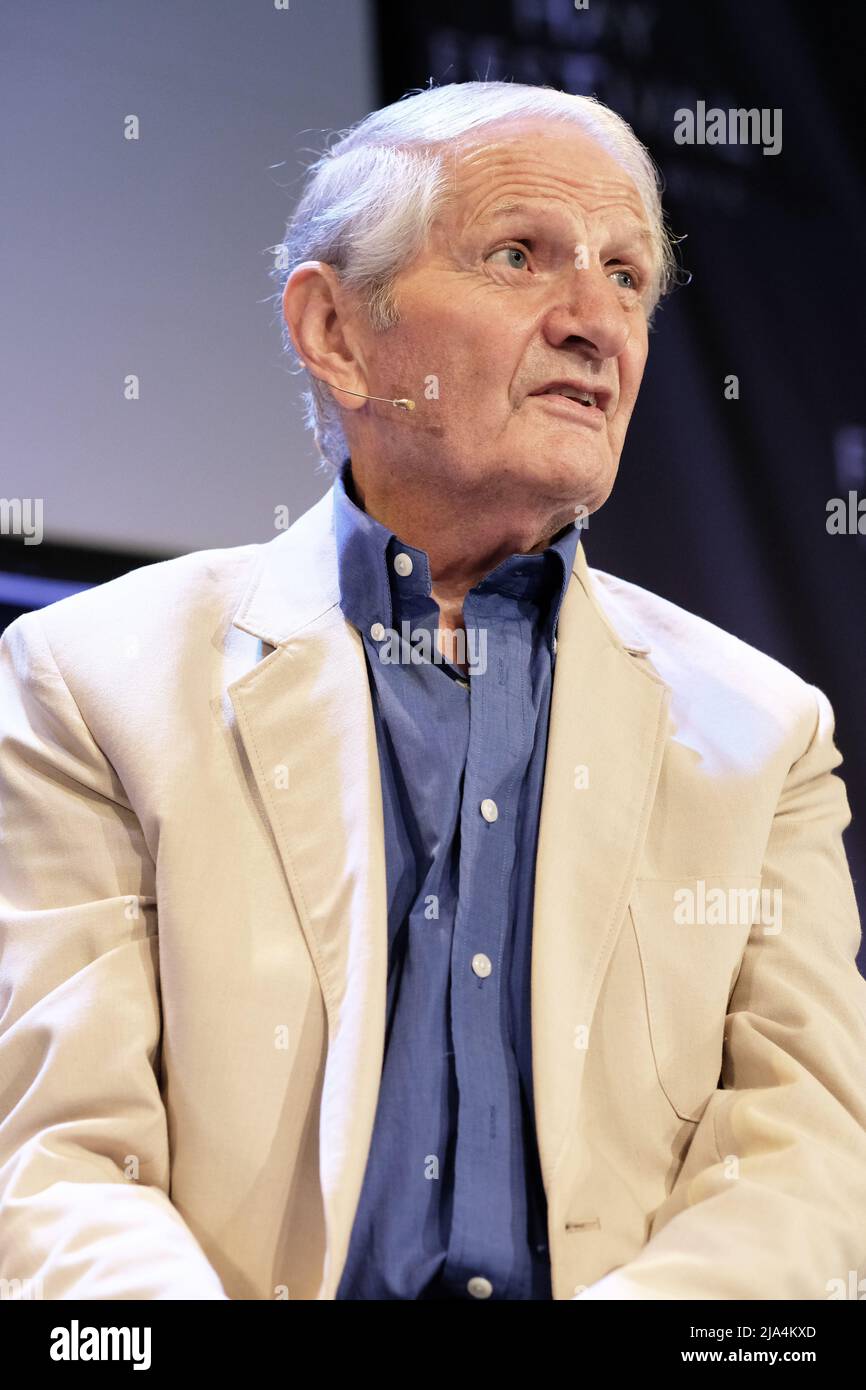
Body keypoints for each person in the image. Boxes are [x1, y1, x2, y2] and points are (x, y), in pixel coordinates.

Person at [1, 81, 864, 1301]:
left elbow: (806, 1170)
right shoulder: (92, 684)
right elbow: (54, 1159)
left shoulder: (763, 734)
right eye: (519, 255)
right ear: (336, 332)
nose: (593, 323)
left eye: (625, 277)